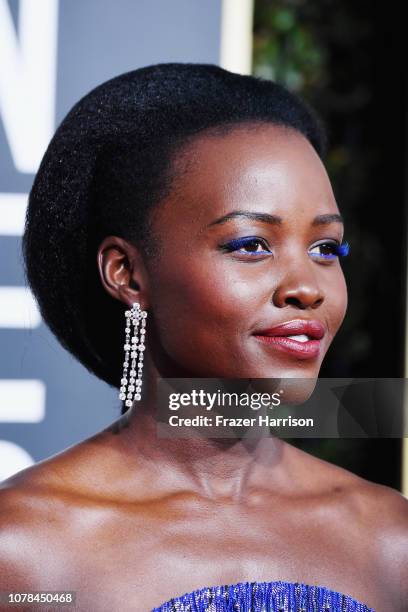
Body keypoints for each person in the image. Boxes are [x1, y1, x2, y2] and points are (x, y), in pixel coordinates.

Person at [0, 63, 407, 612]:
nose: (307, 288)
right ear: (127, 274)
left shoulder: (390, 540)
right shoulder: (24, 550)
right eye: (251, 245)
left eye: (326, 248)